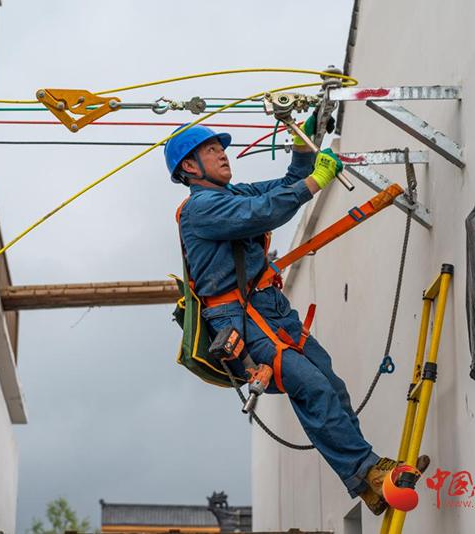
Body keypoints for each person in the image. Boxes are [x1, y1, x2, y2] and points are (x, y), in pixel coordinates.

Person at [165, 119, 427, 515]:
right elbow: (265, 211)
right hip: (239, 322)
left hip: (271, 310)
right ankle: (368, 471)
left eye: (221, 148)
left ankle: (368, 486)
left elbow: (286, 184)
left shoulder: (231, 195)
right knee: (311, 386)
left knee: (331, 383)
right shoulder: (201, 209)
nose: (223, 154)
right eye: (211, 150)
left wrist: (303, 146)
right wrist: (317, 182)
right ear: (189, 167)